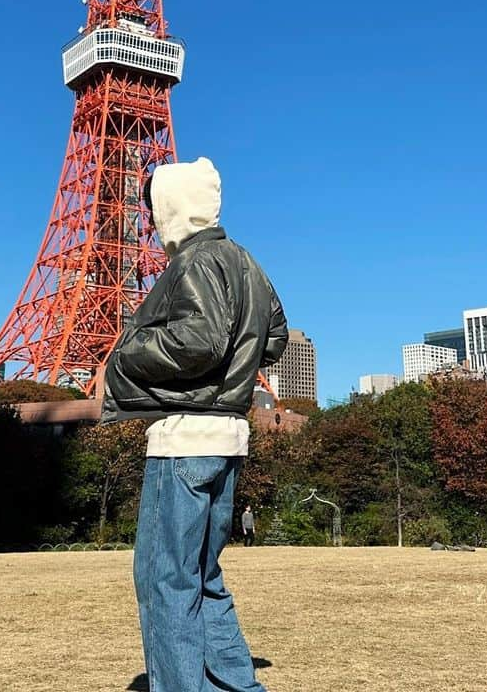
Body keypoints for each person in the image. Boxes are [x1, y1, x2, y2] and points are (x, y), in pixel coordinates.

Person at [103, 157, 288, 692]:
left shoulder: (193, 261)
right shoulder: (246, 261)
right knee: (203, 578)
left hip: (185, 439)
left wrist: (127, 352)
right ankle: (238, 686)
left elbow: (198, 341)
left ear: (172, 210)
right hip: (229, 437)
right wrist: (236, 369)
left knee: (164, 579)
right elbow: (273, 337)